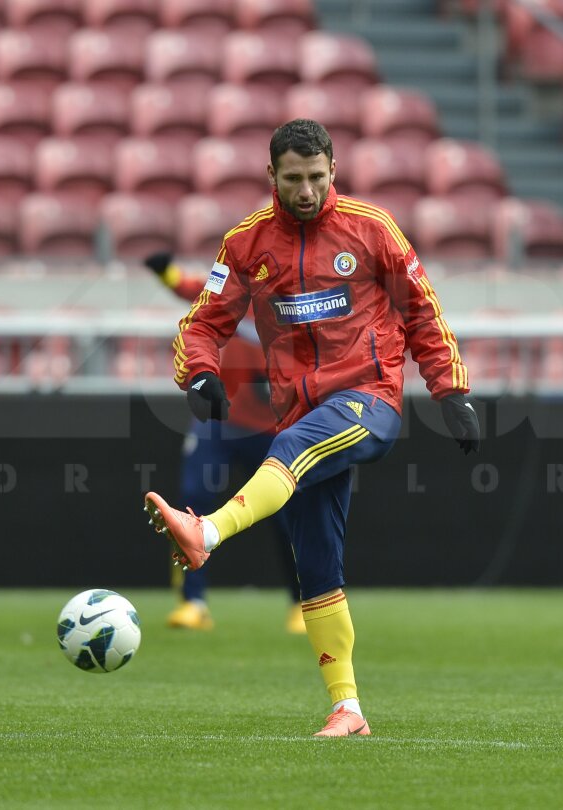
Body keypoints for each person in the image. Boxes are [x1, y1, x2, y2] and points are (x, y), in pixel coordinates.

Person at [142, 119, 480, 738]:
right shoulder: (246, 244)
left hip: (368, 402)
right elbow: (203, 322)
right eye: (293, 178)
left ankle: (207, 532)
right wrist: (198, 373)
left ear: (334, 170)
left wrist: (450, 390)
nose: (305, 190)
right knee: (318, 569)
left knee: (288, 448)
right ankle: (347, 707)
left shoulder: (372, 230)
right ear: (271, 175)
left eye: (316, 177)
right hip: (300, 413)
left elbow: (423, 312)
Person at [143, 251, 306, 634]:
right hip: (222, 420)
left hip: (276, 428)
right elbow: (192, 290)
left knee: (288, 517)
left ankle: (303, 603)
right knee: (191, 497)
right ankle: (193, 603)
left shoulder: (303, 305)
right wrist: (166, 271)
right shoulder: (235, 291)